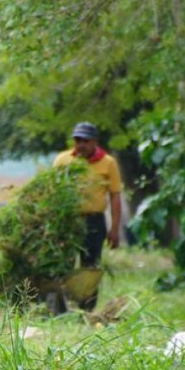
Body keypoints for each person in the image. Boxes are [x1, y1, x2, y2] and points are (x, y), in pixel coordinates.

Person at [52, 121, 122, 311]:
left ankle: (86, 310)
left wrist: (114, 229)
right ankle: (61, 310)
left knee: (90, 267)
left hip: (94, 221)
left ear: (94, 142)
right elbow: (51, 191)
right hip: (68, 220)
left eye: (85, 140)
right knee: (63, 264)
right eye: (77, 140)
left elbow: (115, 196)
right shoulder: (62, 160)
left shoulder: (108, 163)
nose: (80, 144)